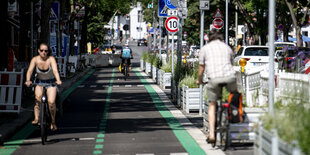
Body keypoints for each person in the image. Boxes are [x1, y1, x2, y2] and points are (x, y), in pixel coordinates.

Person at [196, 29, 237, 143]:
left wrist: (199, 80)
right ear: (221, 38)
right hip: (229, 77)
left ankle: (212, 134)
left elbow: (201, 68)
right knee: (235, 93)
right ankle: (234, 112)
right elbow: (231, 63)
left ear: (209, 38)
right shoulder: (227, 47)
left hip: (213, 79)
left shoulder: (205, 49)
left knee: (212, 104)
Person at [25, 43, 62, 131]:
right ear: (38, 51)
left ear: (48, 51)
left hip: (51, 82)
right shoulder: (35, 59)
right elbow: (30, 71)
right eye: (41, 50)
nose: (43, 52)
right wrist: (28, 80)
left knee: (51, 102)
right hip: (39, 82)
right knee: (37, 98)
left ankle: (53, 122)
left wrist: (58, 80)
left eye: (46, 51)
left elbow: (55, 71)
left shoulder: (51, 59)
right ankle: (36, 118)